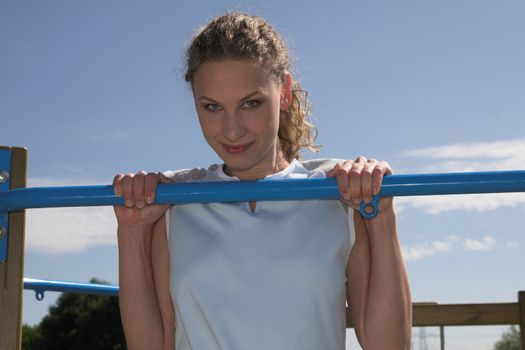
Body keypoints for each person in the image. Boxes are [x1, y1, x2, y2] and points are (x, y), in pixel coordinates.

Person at [113, 12, 411, 350]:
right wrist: (133, 232)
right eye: (212, 107)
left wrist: (382, 215)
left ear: (283, 91)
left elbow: (389, 346)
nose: (232, 130)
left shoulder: (338, 193)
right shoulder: (174, 201)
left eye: (250, 103)